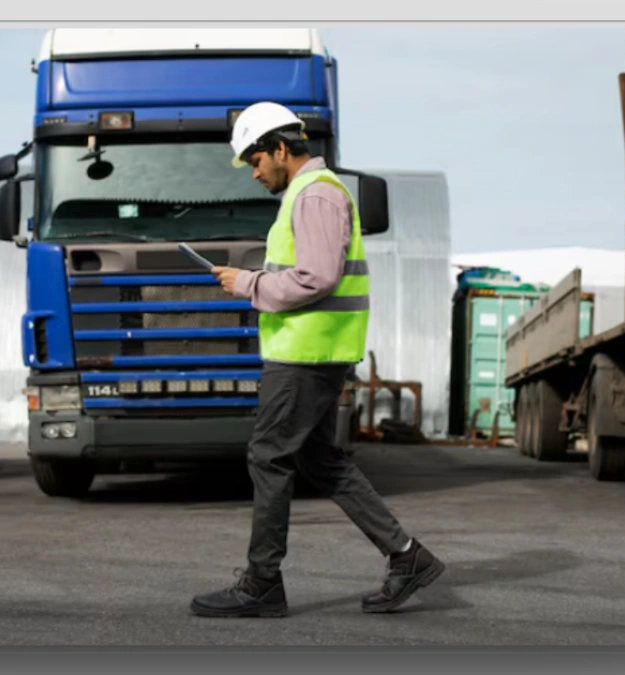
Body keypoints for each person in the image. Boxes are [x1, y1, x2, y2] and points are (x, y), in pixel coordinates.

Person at [189, 102, 445, 618]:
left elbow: (318, 277)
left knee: (268, 456)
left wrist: (249, 284)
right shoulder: (310, 194)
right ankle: (406, 555)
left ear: (281, 148)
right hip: (312, 350)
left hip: (306, 355)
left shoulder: (316, 195)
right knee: (319, 460)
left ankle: (262, 583)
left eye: (256, 160)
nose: (254, 172)